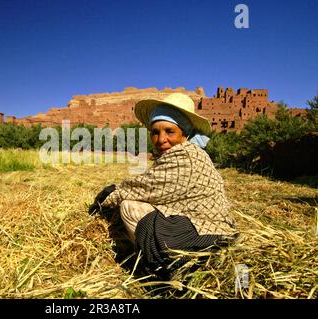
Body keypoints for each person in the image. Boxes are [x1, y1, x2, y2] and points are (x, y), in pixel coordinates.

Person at [89, 92, 238, 278]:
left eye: (169, 131)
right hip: (212, 228)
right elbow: (151, 185)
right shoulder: (186, 153)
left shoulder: (184, 157)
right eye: (155, 132)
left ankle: (159, 266)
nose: (161, 140)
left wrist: (106, 200)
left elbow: (141, 188)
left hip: (207, 234)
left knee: (129, 206)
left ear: (184, 133)